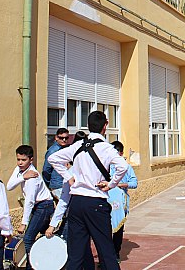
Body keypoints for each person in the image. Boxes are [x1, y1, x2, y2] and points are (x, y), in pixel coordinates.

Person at [48, 111, 128, 270]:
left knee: (76, 255)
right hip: (96, 202)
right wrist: (111, 184)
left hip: (76, 203)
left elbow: (53, 159)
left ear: (88, 126)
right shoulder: (106, 148)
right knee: (106, 251)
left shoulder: (78, 145)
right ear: (105, 125)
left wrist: (68, 176)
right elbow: (123, 166)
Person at [6, 145, 55, 266]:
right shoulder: (20, 170)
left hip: (44, 205)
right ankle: (46, 261)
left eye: (24, 160)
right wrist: (22, 177)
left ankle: (32, 265)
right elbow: (9, 186)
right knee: (44, 235)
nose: (20, 163)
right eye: (18, 159)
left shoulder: (33, 177)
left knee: (28, 239)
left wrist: (24, 223)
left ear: (31, 160)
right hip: (38, 207)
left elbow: (29, 201)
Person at [108, 141, 138, 262]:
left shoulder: (127, 167)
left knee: (118, 230)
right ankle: (106, 256)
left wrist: (121, 185)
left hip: (120, 203)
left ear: (120, 153)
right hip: (106, 201)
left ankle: (115, 254)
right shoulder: (105, 166)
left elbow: (134, 183)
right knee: (104, 230)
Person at [43, 128, 70, 199]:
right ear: (56, 138)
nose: (64, 140)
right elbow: (46, 170)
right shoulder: (52, 151)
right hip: (57, 185)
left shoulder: (65, 149)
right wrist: (49, 184)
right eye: (61, 138)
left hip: (65, 183)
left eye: (66, 138)